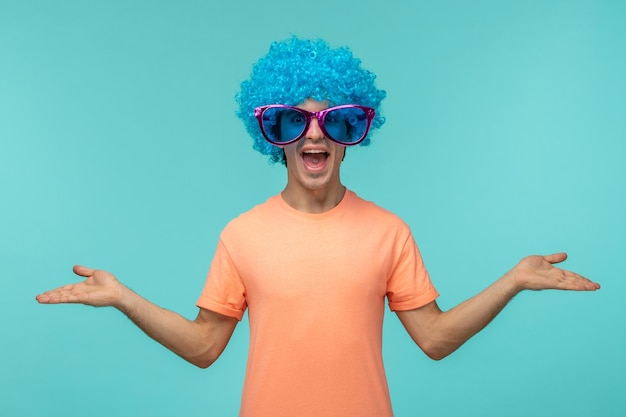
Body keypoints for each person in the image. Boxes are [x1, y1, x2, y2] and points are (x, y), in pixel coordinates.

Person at [36, 37, 600, 417]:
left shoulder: (388, 232)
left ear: (354, 129)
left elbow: (434, 339)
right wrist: (121, 298)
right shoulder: (242, 234)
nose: (314, 135)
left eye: (335, 121)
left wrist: (514, 281)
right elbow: (205, 346)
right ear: (271, 133)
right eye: (292, 120)